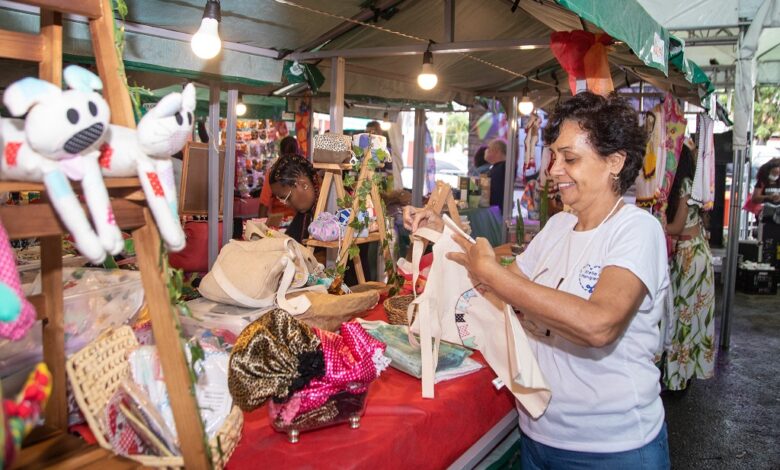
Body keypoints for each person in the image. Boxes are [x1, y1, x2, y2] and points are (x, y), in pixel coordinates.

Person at [404, 92, 670, 468]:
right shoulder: (558, 226)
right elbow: (491, 283)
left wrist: (497, 277)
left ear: (615, 161)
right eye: (554, 156)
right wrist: (442, 232)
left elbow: (600, 325)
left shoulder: (636, 230)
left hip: (612, 447)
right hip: (538, 434)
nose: (554, 169)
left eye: (570, 158)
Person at [269, 154, 375, 285]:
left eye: (286, 198)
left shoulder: (339, 203)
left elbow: (332, 258)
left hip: (351, 289)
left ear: (303, 185)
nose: (286, 204)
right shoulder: (308, 211)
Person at [663, 143, 716, 391]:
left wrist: (653, 221)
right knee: (689, 316)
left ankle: (678, 377)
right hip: (692, 253)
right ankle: (683, 374)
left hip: (691, 257)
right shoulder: (690, 183)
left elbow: (675, 227)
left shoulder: (684, 184)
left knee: (683, 317)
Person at [258, 136, 300, 219]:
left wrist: (259, 228)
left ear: (280, 153)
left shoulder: (272, 172)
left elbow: (264, 204)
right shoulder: (303, 172)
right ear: (298, 152)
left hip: (278, 224)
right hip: (299, 224)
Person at [751, 158, 780, 269]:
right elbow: (755, 198)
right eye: (774, 173)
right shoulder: (762, 182)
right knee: (768, 246)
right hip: (768, 219)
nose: (776, 175)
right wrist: (768, 197)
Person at [485, 139, 507, 212]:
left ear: (496, 151)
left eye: (488, 148)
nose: (486, 151)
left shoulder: (502, 168)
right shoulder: (498, 167)